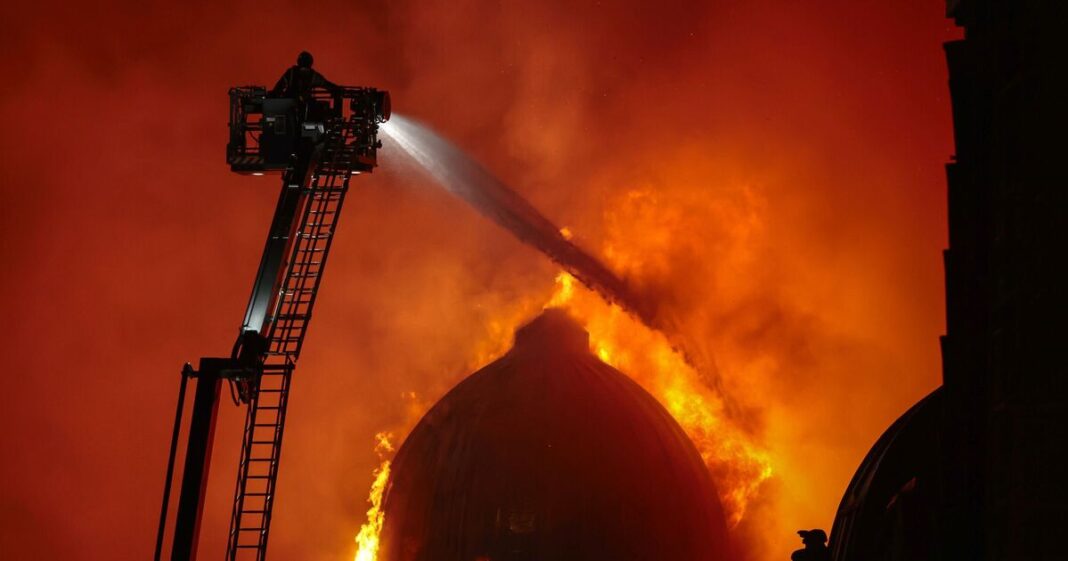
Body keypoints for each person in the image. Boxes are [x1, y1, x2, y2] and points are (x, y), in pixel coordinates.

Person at [269, 51, 341, 101]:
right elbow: (327, 85)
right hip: (302, 108)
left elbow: (278, 88)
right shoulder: (313, 76)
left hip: (291, 106)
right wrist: (338, 90)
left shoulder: (290, 73)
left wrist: (273, 96)